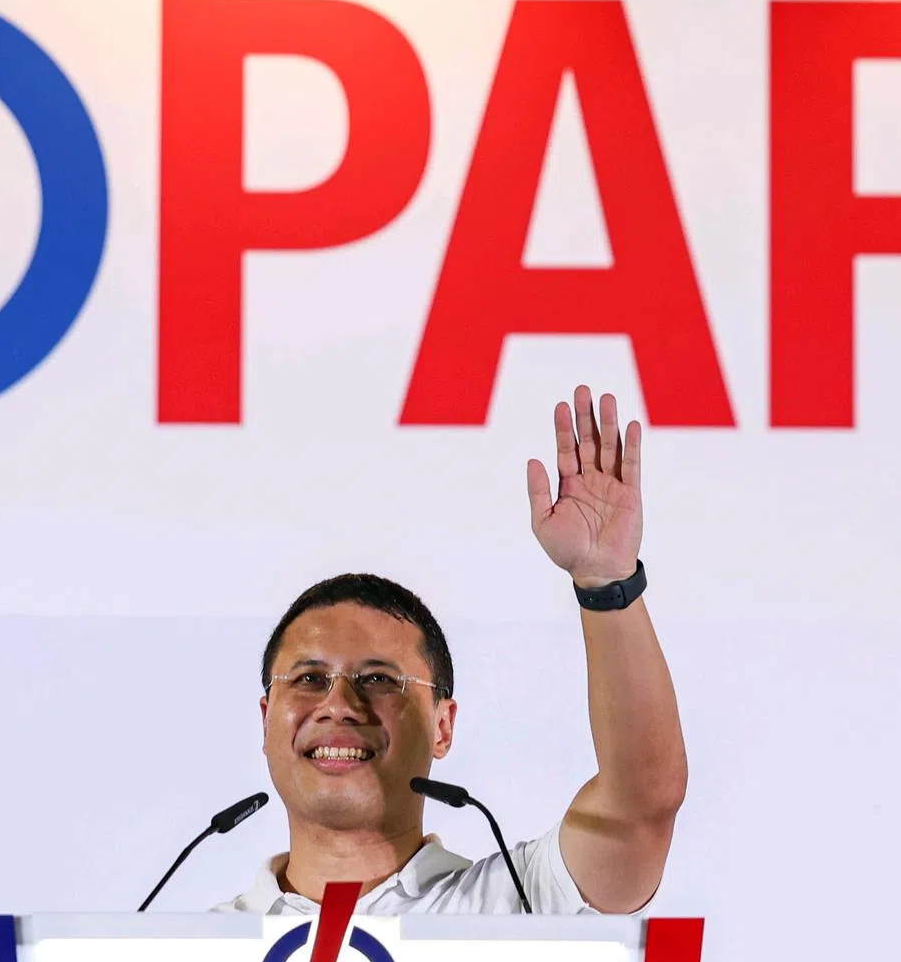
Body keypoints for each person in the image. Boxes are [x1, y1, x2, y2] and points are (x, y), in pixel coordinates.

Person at [215, 386, 687, 914]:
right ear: (265, 721)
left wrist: (606, 583)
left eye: (378, 679)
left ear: (442, 726)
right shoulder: (192, 956)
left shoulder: (516, 903)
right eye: (308, 679)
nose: (340, 704)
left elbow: (641, 804)